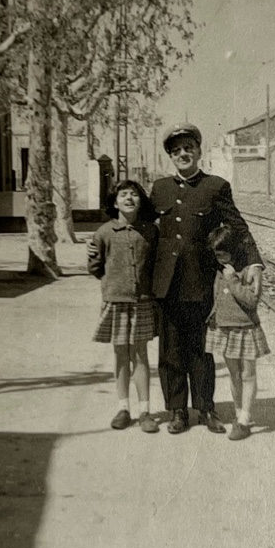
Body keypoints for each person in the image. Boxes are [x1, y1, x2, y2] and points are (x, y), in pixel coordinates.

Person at [150, 123, 264, 435]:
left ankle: (206, 409)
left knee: (202, 350)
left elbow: (237, 227)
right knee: (171, 352)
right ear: (171, 157)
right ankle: (177, 411)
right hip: (167, 285)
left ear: (199, 151)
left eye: (188, 148)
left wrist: (253, 262)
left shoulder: (215, 186)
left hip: (201, 282)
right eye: (176, 151)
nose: (183, 154)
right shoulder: (159, 188)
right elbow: (147, 232)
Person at [87, 180, 160, 433]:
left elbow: (155, 265)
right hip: (116, 301)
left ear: (141, 201)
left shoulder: (150, 231)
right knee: (120, 354)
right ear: (115, 202)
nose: (129, 199)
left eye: (134, 195)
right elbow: (95, 267)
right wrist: (114, 283)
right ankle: (123, 408)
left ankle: (145, 411)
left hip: (142, 302)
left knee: (140, 354)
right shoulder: (104, 232)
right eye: (123, 195)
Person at [205, 224, 270, 440]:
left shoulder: (247, 272)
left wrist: (232, 279)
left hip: (245, 329)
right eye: (217, 255)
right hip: (225, 328)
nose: (220, 258)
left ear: (234, 250)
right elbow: (218, 297)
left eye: (223, 254)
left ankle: (244, 419)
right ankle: (239, 413)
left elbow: (251, 301)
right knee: (234, 374)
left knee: (248, 374)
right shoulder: (220, 269)